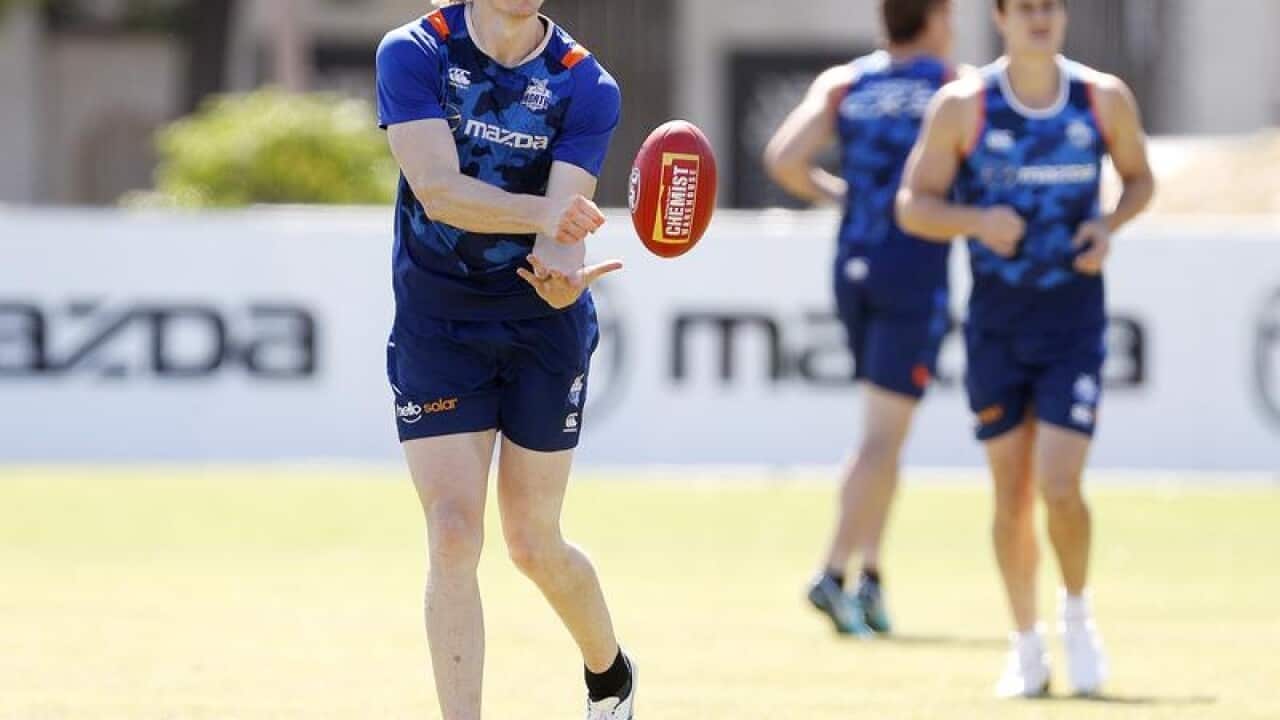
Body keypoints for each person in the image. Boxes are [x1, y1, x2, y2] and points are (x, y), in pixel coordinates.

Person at [375, 1, 635, 717]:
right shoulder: (415, 51)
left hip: (538, 326)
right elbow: (438, 190)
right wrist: (545, 220)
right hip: (438, 319)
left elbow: (563, 233)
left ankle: (610, 673)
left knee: (532, 542)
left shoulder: (586, 85)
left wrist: (560, 278)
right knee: (454, 532)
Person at [897, 0, 1155, 698]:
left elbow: (1140, 179)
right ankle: (1025, 645)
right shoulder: (965, 106)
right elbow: (913, 205)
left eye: (1050, 6)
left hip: (1073, 320)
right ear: (1001, 19)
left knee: (1060, 484)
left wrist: (1107, 225)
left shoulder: (1102, 99)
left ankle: (1077, 616)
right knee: (1011, 496)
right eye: (1025, 7)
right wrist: (977, 218)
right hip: (996, 325)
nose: (1040, 18)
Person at [763, 0, 957, 637]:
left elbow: (784, 157)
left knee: (887, 432)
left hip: (853, 264)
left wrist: (840, 192)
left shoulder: (847, 82)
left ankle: (871, 577)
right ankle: (832, 569)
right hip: (914, 267)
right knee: (881, 436)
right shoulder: (949, 87)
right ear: (935, 17)